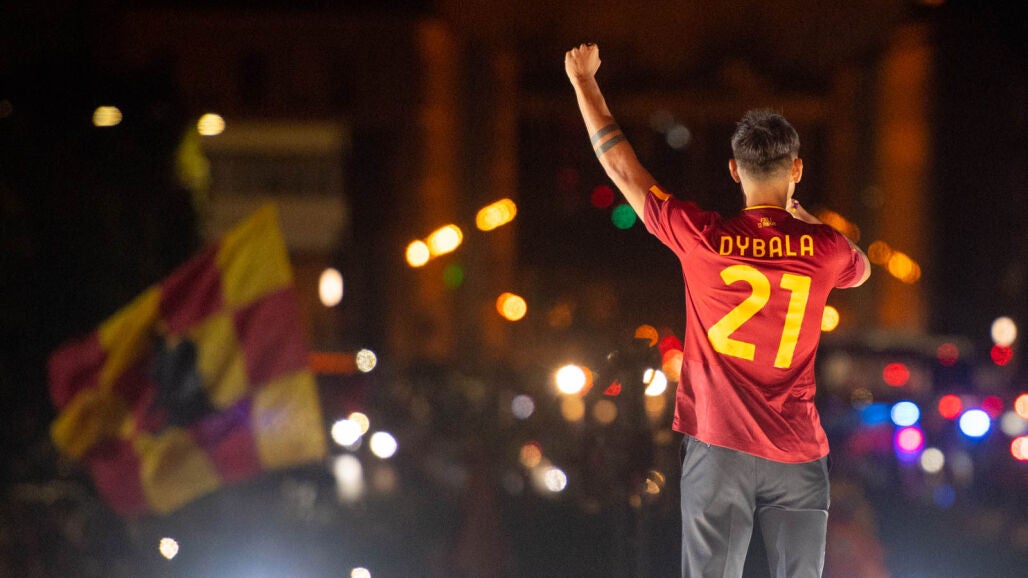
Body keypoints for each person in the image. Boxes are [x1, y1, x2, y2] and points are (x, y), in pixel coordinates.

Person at [565, 43, 871, 578]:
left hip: (719, 446)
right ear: (797, 168)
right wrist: (805, 218)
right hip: (798, 451)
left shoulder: (701, 238)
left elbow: (621, 167)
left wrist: (584, 82)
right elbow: (862, 268)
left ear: (734, 169)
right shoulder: (824, 249)